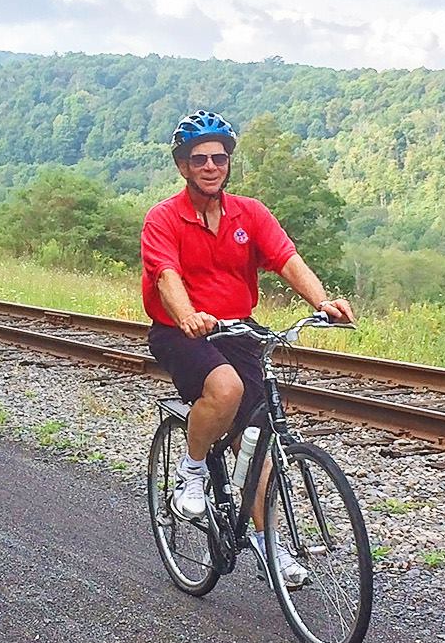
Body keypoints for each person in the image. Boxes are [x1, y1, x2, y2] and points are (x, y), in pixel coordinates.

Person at [141, 110, 355, 590]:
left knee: (255, 443)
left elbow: (286, 258)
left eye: (219, 157)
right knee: (225, 387)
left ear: (228, 162)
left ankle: (267, 544)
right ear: (183, 166)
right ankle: (191, 470)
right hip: (181, 330)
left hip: (238, 328)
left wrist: (322, 301)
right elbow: (165, 275)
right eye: (199, 159)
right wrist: (188, 315)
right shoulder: (163, 218)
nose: (211, 166)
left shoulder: (250, 213)